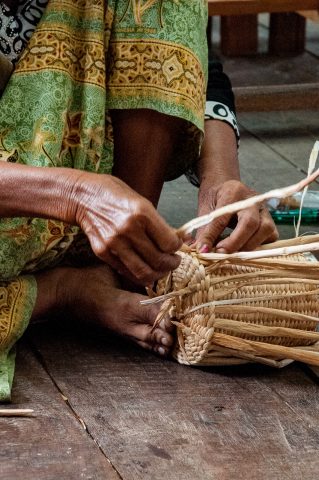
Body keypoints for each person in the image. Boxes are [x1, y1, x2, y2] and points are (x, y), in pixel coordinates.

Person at [0, 0, 277, 400]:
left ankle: (119, 264)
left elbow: (203, 73)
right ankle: (60, 292)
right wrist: (75, 194)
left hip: (84, 214)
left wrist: (219, 179)